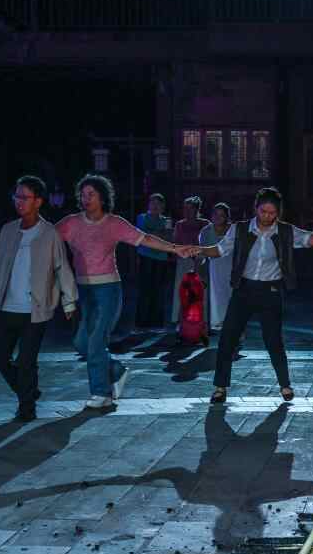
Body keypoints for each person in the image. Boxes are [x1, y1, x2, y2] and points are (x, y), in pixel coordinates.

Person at [57, 174, 194, 409]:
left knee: (96, 342)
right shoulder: (70, 223)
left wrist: (175, 249)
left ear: (102, 197)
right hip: (83, 291)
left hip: (108, 290)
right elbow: (46, 239)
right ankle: (116, 370)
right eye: (83, 194)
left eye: (91, 194)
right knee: (82, 343)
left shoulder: (114, 223)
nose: (86, 198)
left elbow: (145, 239)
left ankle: (102, 393)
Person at [195, 187, 313, 404]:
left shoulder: (286, 231)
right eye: (263, 212)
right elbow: (219, 250)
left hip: (271, 291)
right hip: (244, 289)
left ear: (278, 212)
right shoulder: (240, 229)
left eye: (272, 213)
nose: (267, 217)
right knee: (227, 338)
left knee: (273, 340)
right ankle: (220, 387)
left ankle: (285, 385)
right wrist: (196, 249)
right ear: (256, 209)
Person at [0, 176, 78, 422]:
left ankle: (27, 408)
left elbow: (61, 267)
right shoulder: (8, 230)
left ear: (38, 201)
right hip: (5, 307)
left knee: (26, 361)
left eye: (24, 197)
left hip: (35, 310)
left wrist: (69, 301)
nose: (19, 201)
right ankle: (28, 391)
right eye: (16, 196)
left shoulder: (50, 234)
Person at [134, 193, 172, 331]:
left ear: (163, 206)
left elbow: (169, 237)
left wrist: (153, 234)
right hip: (145, 257)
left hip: (161, 259)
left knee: (158, 291)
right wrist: (158, 234)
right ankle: (141, 323)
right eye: (153, 203)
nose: (155, 206)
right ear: (149, 204)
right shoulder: (141, 217)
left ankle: (156, 323)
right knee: (144, 290)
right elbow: (143, 236)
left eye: (158, 203)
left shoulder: (167, 220)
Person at [171, 196, 210, 326]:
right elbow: (175, 243)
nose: (187, 211)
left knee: (201, 290)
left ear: (197, 209)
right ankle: (180, 320)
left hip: (200, 260)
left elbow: (208, 242)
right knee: (182, 290)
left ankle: (203, 320)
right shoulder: (180, 224)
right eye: (185, 209)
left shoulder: (205, 224)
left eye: (190, 208)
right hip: (184, 261)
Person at [198, 203, 233, 331]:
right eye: (215, 214)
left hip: (232, 269)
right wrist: (199, 273)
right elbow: (201, 254)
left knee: (232, 299)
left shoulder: (233, 230)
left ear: (227, 217)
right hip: (213, 270)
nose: (218, 217)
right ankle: (215, 324)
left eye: (222, 215)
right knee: (214, 298)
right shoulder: (206, 231)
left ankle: (235, 328)